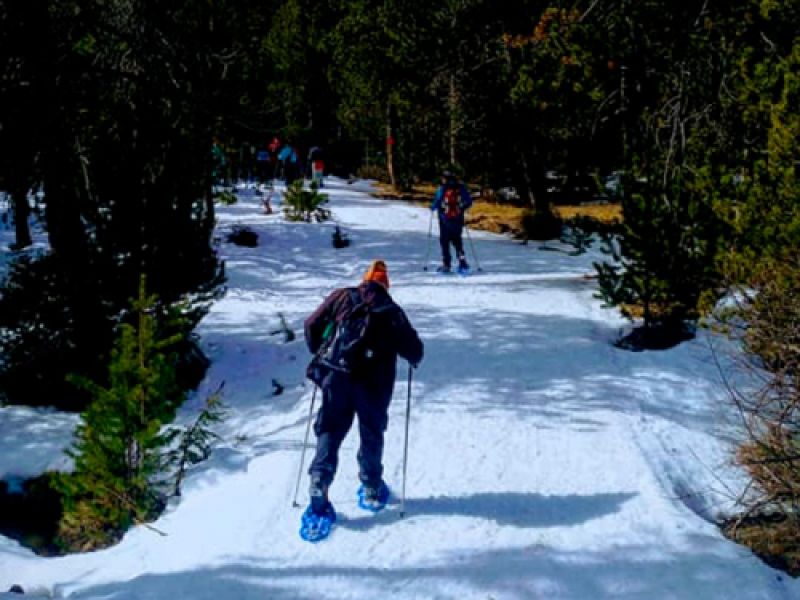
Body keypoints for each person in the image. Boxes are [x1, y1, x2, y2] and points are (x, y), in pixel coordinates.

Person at [303, 260, 424, 527]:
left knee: (330, 430)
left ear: (364, 280)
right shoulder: (391, 311)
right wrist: (413, 357)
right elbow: (414, 349)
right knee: (371, 431)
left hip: (336, 377)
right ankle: (371, 486)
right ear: (385, 285)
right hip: (374, 385)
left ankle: (319, 480)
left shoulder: (342, 296)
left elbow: (311, 324)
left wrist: (319, 350)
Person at [431, 170, 473, 273]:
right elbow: (469, 202)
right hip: (458, 219)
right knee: (457, 241)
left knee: (444, 242)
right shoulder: (461, 187)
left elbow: (437, 202)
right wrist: (461, 208)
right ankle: (462, 263)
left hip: (444, 219)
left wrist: (432, 207)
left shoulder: (442, 188)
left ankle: (446, 264)